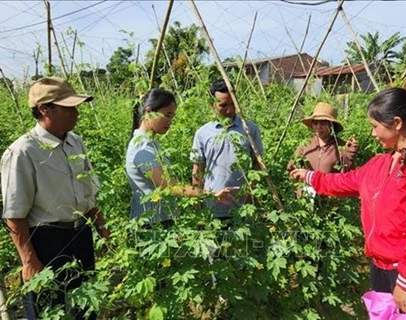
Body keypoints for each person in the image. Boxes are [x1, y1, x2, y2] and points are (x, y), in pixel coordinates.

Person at [290, 88, 406, 314]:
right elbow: (347, 181)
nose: (372, 134)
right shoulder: (381, 163)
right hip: (381, 265)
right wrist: (310, 176)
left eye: (375, 126)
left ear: (397, 123)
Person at [1, 77, 110, 319]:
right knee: (48, 308)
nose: (76, 113)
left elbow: (88, 194)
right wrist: (29, 261)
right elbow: (15, 214)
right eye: (69, 107)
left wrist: (102, 230)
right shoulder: (23, 151)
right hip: (45, 240)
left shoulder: (75, 142)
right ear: (44, 109)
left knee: (87, 306)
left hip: (80, 234)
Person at [126, 88, 233, 227]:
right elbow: (170, 187)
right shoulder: (142, 147)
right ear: (149, 111)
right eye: (167, 115)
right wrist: (211, 194)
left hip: (160, 220)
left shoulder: (150, 143)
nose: (170, 121)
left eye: (172, 117)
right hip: (151, 224)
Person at [190, 79, 264, 220]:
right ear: (212, 105)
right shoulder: (203, 133)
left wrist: (250, 195)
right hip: (211, 207)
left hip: (242, 208)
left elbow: (258, 163)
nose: (229, 110)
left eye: (232, 104)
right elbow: (198, 170)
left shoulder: (249, 129)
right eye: (223, 105)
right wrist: (198, 204)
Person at [287, 102, 358, 174]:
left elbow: (348, 176)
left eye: (323, 123)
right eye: (315, 123)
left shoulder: (341, 146)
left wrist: (349, 157)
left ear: (331, 125)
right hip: (307, 185)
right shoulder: (305, 145)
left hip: (331, 185)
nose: (318, 127)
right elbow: (291, 168)